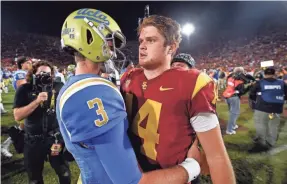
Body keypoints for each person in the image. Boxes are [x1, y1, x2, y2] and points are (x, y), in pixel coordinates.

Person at [57, 8, 202, 184]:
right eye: (110, 43)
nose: (112, 51)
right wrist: (193, 166)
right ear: (91, 39)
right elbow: (132, 181)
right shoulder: (96, 92)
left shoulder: (71, 87)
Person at [121, 15, 235, 184]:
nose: (142, 46)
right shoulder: (128, 78)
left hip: (175, 177)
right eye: (141, 41)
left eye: (151, 40)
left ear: (171, 48)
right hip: (135, 172)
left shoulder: (192, 83)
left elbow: (216, 156)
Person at [14, 61, 71, 184]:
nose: (45, 76)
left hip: (54, 138)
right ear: (34, 73)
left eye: (48, 73)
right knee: (35, 179)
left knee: (64, 172)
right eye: (41, 73)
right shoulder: (25, 89)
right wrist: (36, 101)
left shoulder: (58, 86)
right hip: (33, 141)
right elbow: (17, 116)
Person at [248, 67, 287, 152]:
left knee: (261, 124)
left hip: (262, 107)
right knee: (273, 126)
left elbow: (252, 94)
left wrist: (256, 101)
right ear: (274, 74)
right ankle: (271, 142)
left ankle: (262, 142)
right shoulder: (281, 83)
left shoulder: (260, 82)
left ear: (264, 74)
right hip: (276, 108)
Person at [1, 57, 33, 158]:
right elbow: (21, 86)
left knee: (26, 127)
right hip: (24, 103)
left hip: (28, 102)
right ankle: (5, 145)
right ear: (22, 64)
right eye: (28, 62)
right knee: (23, 127)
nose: (29, 64)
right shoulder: (20, 73)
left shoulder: (24, 73)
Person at [223, 67, 252, 135]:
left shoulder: (230, 77)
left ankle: (233, 125)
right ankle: (229, 130)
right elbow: (242, 92)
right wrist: (249, 87)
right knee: (234, 114)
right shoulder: (239, 80)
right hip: (233, 97)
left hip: (226, 96)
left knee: (232, 112)